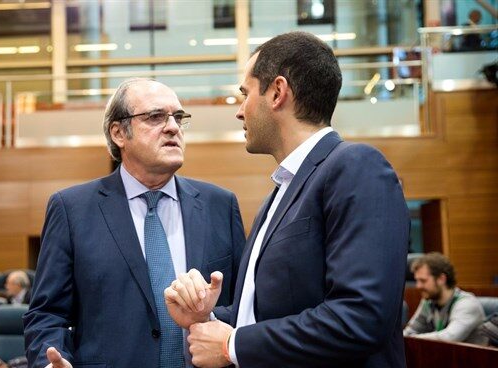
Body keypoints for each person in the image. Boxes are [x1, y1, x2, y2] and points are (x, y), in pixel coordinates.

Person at [163, 31, 410, 368]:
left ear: (278, 92)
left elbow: (360, 316)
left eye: (245, 94)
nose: (239, 111)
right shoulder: (281, 190)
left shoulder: (355, 166)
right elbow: (260, 314)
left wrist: (233, 345)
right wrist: (206, 316)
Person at [23, 78, 246, 368]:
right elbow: (47, 314)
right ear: (118, 133)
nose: (173, 127)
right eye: (155, 117)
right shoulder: (72, 209)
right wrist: (50, 362)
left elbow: (246, 307)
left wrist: (209, 318)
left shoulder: (220, 204)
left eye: (178, 118)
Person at [403, 252, 487, 344]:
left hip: (471, 357)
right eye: (417, 281)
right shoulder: (429, 301)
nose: (418, 286)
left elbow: (450, 337)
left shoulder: (467, 304)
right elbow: (410, 331)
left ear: (441, 279)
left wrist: (412, 339)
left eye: (423, 281)